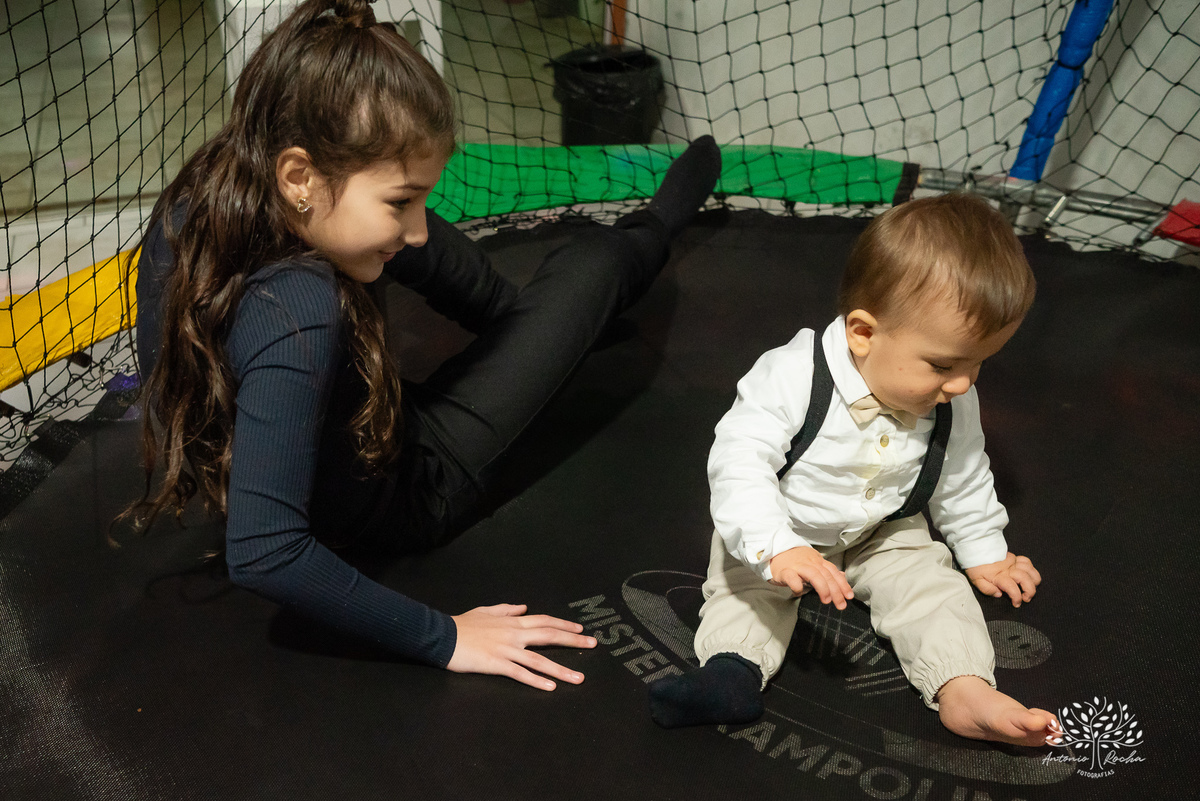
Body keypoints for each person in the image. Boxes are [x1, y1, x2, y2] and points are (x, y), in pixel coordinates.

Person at [130, 0, 721, 692]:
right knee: (591, 265)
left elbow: (421, 248)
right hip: (403, 486)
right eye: (401, 201)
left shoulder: (207, 195)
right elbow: (264, 551)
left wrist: (525, 336)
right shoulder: (300, 311)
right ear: (299, 177)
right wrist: (444, 637)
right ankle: (653, 228)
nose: (414, 226)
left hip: (317, 449)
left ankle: (535, 320)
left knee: (444, 267)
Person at [647, 194, 1059, 747]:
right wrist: (775, 546)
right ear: (863, 333)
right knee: (745, 589)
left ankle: (964, 689)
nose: (962, 383)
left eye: (978, 362)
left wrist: (983, 548)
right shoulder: (793, 373)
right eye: (943, 364)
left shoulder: (953, 396)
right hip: (783, 525)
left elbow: (962, 472)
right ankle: (731, 672)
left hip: (882, 528)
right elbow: (740, 461)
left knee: (931, 586)